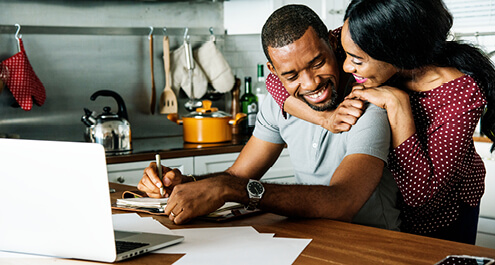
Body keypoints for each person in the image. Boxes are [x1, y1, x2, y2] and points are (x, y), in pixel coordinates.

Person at [137, 4, 401, 231]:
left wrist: (233, 189)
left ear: (333, 44)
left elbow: (342, 202)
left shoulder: (367, 103)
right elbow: (237, 176)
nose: (310, 84)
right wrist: (186, 184)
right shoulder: (278, 106)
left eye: (317, 63)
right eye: (291, 75)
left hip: (374, 245)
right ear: (273, 72)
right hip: (316, 239)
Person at [265, 0, 495, 244]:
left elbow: (422, 197)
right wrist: (325, 119)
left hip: (443, 215)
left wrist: (398, 105)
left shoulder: (460, 95)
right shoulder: (358, 36)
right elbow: (275, 81)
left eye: (356, 60)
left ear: (396, 52)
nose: (345, 65)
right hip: (391, 208)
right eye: (345, 54)